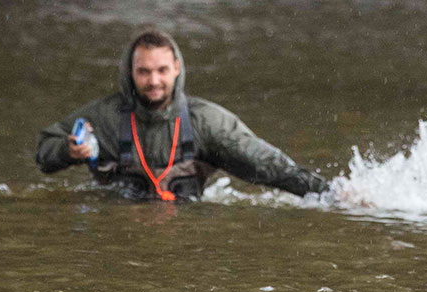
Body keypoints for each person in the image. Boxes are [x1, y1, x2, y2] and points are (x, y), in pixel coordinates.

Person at [35, 29, 330, 202]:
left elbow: (268, 164)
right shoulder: (105, 117)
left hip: (186, 233)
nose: (153, 81)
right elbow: (44, 150)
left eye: (162, 71)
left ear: (176, 68)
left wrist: (327, 193)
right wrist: (68, 150)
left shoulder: (206, 121)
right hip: (117, 235)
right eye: (144, 71)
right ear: (130, 72)